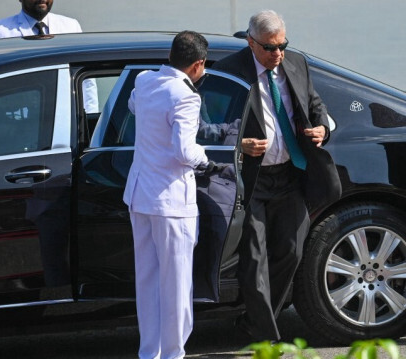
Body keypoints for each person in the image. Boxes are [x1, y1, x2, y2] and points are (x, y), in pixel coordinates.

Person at [213, 10, 341, 342]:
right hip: (251, 180)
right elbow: (210, 126)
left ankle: (255, 318)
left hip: (290, 175)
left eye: (283, 44)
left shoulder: (296, 63)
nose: (278, 54)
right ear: (251, 42)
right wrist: (238, 144)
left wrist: (322, 128)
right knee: (254, 260)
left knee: (291, 251)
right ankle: (265, 336)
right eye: (270, 48)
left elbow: (317, 105)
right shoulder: (228, 72)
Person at [123, 31, 209, 359]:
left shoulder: (145, 81)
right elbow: (185, 151)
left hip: (140, 195)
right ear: (198, 65)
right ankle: (174, 354)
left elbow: (133, 105)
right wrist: (209, 161)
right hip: (172, 202)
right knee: (176, 286)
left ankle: (150, 353)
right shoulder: (186, 96)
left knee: (147, 282)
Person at [0, 0, 98, 113]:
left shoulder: (70, 27)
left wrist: (90, 117)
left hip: (63, 115)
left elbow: (86, 81)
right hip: (17, 119)